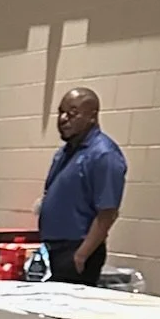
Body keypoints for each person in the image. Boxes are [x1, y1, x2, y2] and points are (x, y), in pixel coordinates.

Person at [39, 87, 126, 284]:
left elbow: (107, 213)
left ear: (92, 116)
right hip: (53, 249)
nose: (62, 119)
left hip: (77, 251)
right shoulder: (64, 153)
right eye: (60, 112)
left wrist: (81, 255)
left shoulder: (104, 154)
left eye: (72, 113)